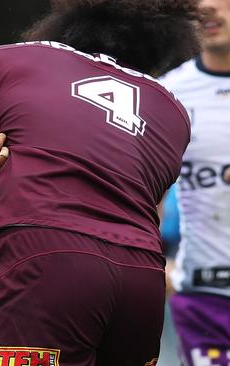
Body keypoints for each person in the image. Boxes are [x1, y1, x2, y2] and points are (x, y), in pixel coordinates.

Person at [0, 1, 201, 365]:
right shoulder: (173, 110)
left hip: (42, 262)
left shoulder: (1, 60)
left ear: (63, 24)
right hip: (142, 280)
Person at [160, 0, 230, 365]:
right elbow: (139, 189)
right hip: (202, 302)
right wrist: (159, 265)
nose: (206, 7)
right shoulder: (167, 95)